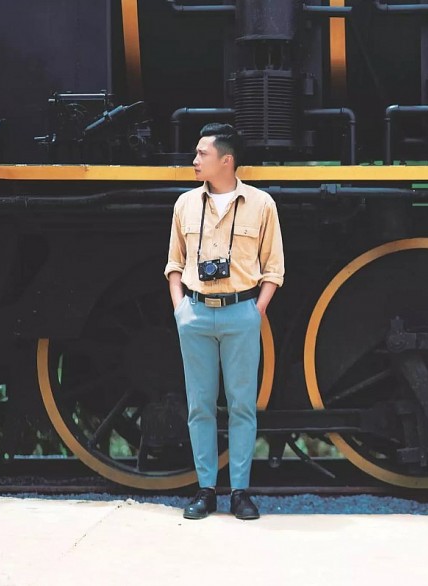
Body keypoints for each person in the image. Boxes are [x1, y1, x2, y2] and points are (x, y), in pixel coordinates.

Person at [164, 123, 284, 520]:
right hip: (195, 314)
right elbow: (174, 264)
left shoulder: (262, 204)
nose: (194, 160)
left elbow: (274, 268)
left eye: (202, 154)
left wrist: (256, 311)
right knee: (199, 405)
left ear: (226, 160)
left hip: (241, 313)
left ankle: (240, 492)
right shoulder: (184, 204)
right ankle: (205, 490)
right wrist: (181, 308)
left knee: (241, 406)